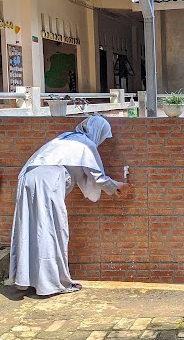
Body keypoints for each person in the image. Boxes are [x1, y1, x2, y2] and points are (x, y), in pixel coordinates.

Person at [10, 116, 126, 296]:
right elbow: (97, 176)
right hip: (48, 181)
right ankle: (53, 283)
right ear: (98, 132)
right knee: (53, 229)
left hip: (28, 177)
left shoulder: (66, 137)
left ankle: (27, 280)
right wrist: (115, 186)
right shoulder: (86, 144)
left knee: (31, 229)